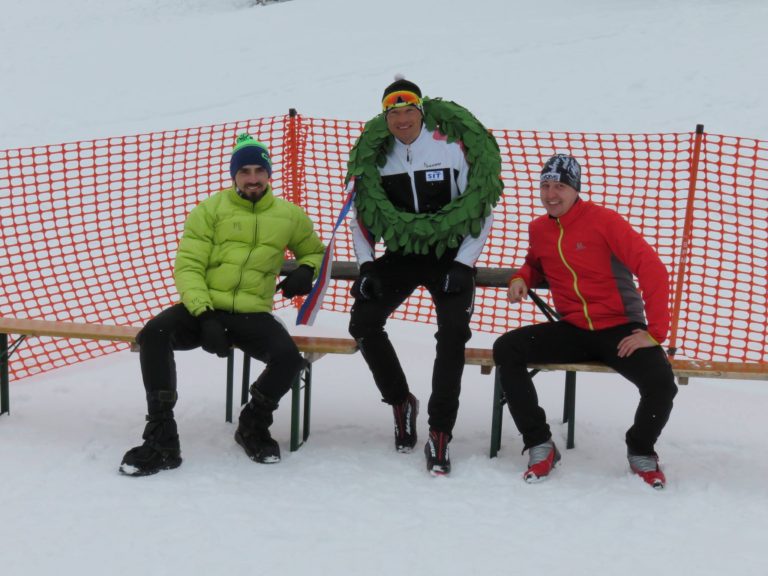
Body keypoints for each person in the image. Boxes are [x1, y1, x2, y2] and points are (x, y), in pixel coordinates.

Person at [120, 134, 325, 477]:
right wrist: (204, 314)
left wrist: (307, 269)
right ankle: (161, 438)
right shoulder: (210, 210)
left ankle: (253, 424)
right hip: (204, 308)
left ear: (269, 174)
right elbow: (188, 266)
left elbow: (314, 250)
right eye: (244, 170)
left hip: (252, 311)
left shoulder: (289, 215)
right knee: (154, 334)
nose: (253, 178)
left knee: (289, 359)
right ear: (234, 175)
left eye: (260, 169)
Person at [492, 154, 678, 489]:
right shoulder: (539, 228)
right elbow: (535, 263)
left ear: (575, 189)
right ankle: (540, 443)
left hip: (620, 330)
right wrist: (521, 276)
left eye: (559, 186)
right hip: (575, 330)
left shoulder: (604, 221)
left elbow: (653, 269)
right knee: (507, 349)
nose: (551, 194)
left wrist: (655, 333)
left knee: (661, 384)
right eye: (545, 185)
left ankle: (640, 449)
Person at [347, 78, 501, 476]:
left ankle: (440, 429)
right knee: (363, 321)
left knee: (452, 333)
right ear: (385, 117)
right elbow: (361, 217)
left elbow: (480, 207)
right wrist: (366, 265)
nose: (401, 119)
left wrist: (464, 264)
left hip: (449, 255)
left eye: (408, 110)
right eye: (393, 113)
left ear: (422, 110)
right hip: (402, 254)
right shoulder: (377, 156)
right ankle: (400, 400)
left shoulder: (450, 146)